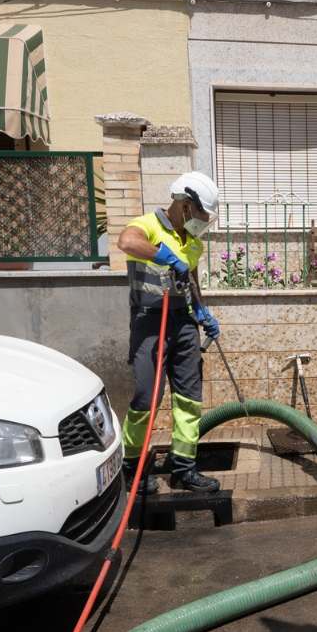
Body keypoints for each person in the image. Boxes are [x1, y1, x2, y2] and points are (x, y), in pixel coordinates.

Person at [117, 171, 223, 494]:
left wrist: (203, 311)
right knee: (147, 399)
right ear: (187, 205)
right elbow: (126, 241)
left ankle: (184, 469)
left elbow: (192, 280)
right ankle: (131, 468)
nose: (203, 222)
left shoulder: (193, 242)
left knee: (189, 398)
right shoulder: (148, 224)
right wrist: (165, 255)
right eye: (202, 215)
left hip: (184, 323)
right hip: (150, 323)